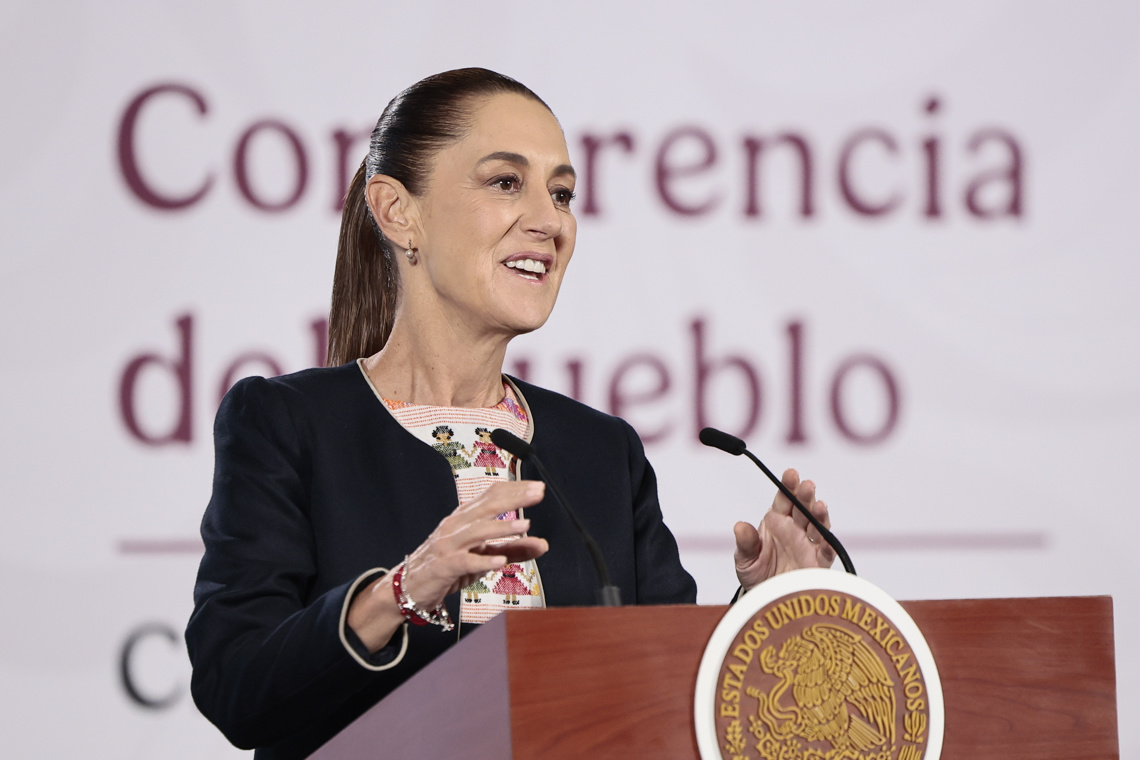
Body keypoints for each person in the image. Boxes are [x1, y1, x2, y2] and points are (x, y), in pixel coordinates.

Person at [185, 68, 835, 760]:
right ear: (398, 210)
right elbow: (237, 686)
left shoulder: (600, 452)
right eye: (505, 183)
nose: (550, 221)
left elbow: (664, 697)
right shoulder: (290, 424)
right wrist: (407, 588)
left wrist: (765, 610)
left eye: (562, 194)